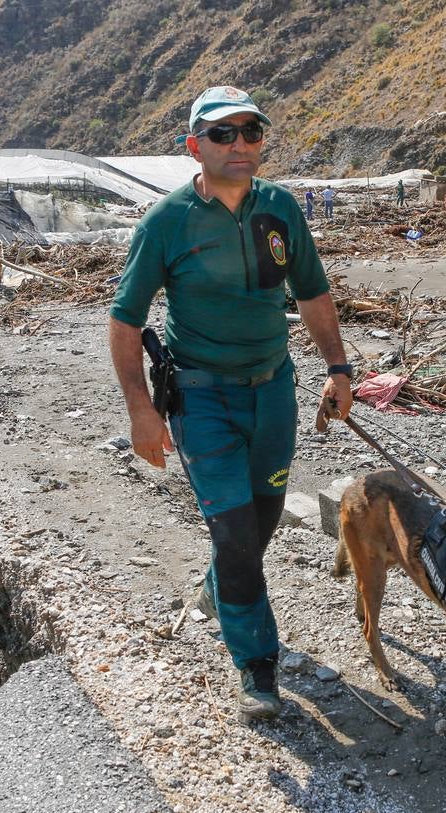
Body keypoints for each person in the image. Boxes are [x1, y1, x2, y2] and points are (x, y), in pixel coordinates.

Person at [109, 86, 353, 723]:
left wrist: (339, 369)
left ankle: (221, 588)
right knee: (237, 533)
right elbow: (125, 322)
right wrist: (141, 409)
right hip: (201, 397)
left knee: (263, 520)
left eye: (251, 132)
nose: (239, 144)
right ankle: (256, 665)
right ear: (195, 146)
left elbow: (314, 294)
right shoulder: (166, 222)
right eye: (223, 134)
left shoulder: (280, 209)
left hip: (273, 393)